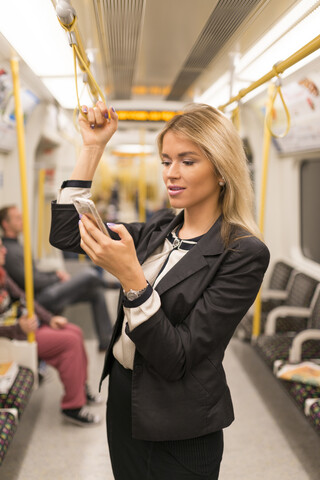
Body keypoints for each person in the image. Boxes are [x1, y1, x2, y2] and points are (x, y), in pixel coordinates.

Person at [49, 101, 270, 479]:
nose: (171, 173)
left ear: (221, 170)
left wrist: (133, 280)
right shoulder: (160, 228)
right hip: (124, 396)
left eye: (187, 161)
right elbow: (68, 233)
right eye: (166, 160)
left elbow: (177, 357)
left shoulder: (242, 253)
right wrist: (91, 148)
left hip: (179, 419)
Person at [0, 239, 102, 427]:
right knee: (68, 342)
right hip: (12, 337)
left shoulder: (2, 276)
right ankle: (72, 406)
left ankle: (80, 388)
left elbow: (25, 299)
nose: (4, 250)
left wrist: (49, 319)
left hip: (24, 328)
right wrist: (17, 328)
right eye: (0, 247)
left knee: (74, 331)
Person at [0, 205, 118, 351]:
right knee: (90, 274)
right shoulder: (9, 252)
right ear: (6, 224)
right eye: (17, 218)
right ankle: (111, 284)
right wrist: (56, 279)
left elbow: (35, 273)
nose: (22, 221)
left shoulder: (16, 245)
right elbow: (32, 282)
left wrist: (55, 275)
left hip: (46, 291)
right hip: (39, 298)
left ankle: (105, 341)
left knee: (96, 293)